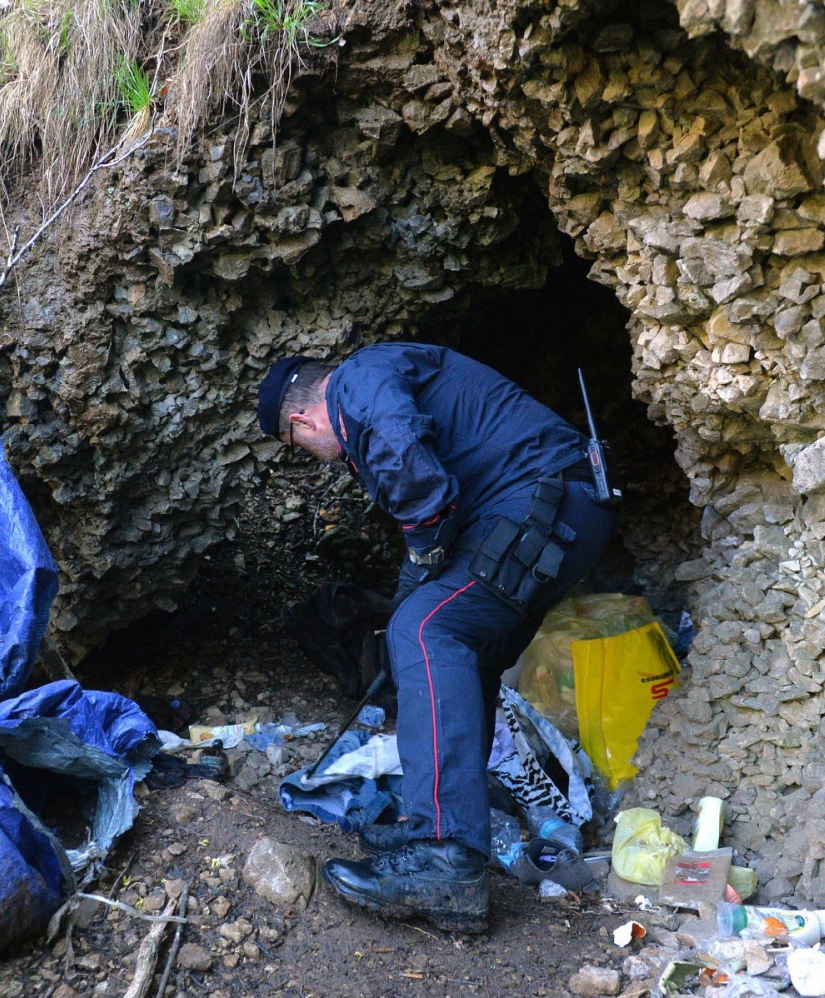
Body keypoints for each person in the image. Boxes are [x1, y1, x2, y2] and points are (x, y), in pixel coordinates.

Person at [257, 342, 616, 932]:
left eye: (301, 448)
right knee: (449, 645)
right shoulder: (374, 383)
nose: (315, 458)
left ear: (301, 419)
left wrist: (421, 557)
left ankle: (446, 857)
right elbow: (423, 541)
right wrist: (405, 603)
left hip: (544, 497)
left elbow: (410, 464)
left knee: (429, 627)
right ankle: (442, 822)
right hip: (553, 504)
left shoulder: (357, 382)